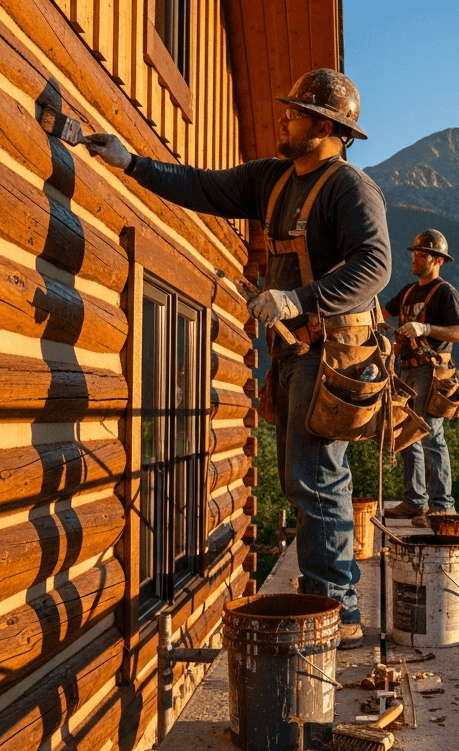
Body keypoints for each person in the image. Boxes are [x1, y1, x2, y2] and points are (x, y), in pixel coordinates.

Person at [83, 69, 389, 649]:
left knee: (316, 478)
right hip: (296, 351)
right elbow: (201, 186)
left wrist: (298, 298)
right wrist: (131, 163)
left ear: (323, 125)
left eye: (297, 113)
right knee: (306, 478)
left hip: (333, 356)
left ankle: (339, 610)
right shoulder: (273, 180)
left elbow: (375, 266)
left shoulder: (350, 189)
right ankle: (332, 595)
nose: (286, 118)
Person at [382, 230, 459, 527]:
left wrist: (425, 329)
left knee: (431, 436)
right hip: (405, 369)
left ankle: (443, 506)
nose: (414, 258)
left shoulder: (445, 292)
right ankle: (415, 502)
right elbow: (382, 312)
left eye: (421, 254)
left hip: (431, 372)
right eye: (414, 253)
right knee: (406, 434)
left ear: (437, 259)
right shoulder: (407, 292)